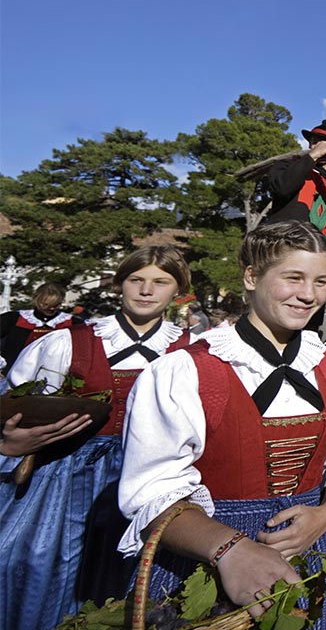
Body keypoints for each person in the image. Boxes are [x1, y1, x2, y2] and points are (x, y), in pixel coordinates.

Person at [117, 221, 326, 629]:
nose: (308, 295)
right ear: (252, 277)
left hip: (315, 549)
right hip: (205, 555)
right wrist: (231, 551)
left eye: (321, 281)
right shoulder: (183, 372)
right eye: (293, 278)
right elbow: (152, 493)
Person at [0, 246, 193, 630]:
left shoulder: (189, 352)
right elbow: (15, 405)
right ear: (120, 284)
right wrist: (12, 438)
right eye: (136, 280)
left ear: (178, 291)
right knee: (35, 564)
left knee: (132, 582)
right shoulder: (68, 342)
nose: (145, 290)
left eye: (160, 282)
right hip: (65, 477)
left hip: (150, 481)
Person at [265, 119, 326, 288]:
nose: (317, 145)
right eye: (314, 141)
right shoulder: (286, 168)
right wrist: (313, 157)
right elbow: (282, 187)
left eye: (324, 142)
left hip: (318, 265)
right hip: (285, 256)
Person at [0, 282, 77, 370]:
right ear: (36, 300)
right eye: (46, 305)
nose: (51, 309)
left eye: (56, 305)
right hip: (12, 374)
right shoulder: (13, 318)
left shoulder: (72, 323)